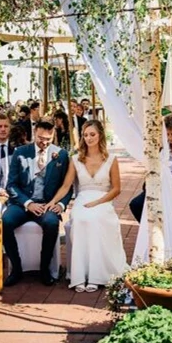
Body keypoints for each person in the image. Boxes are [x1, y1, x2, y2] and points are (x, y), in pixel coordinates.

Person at [49, 120, 127, 292]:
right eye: (85, 135)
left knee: (97, 219)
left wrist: (98, 202)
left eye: (92, 134)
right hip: (83, 200)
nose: (89, 138)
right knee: (80, 219)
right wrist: (53, 201)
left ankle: (96, 276)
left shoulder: (111, 159)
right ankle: (79, 275)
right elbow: (66, 186)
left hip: (103, 200)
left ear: (100, 135)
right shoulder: (76, 159)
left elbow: (116, 189)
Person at [2, 118, 71, 287]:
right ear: (34, 133)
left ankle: (44, 268)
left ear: (53, 135)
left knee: (51, 223)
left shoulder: (61, 154)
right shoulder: (20, 152)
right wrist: (28, 203)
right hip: (22, 204)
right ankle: (16, 268)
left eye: (48, 139)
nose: (44, 143)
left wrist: (60, 204)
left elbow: (67, 186)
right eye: (40, 138)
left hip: (47, 205)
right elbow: (11, 185)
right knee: (5, 221)